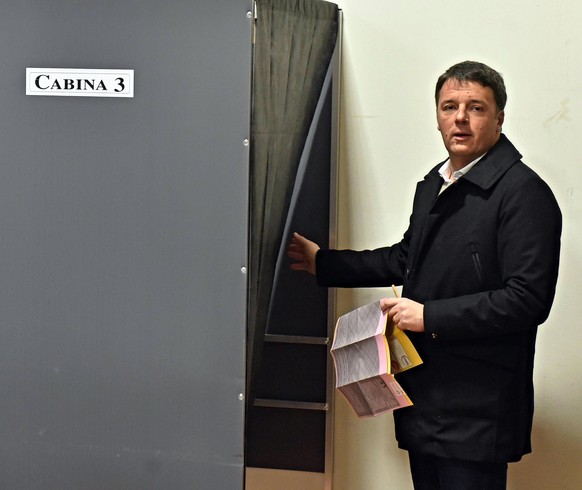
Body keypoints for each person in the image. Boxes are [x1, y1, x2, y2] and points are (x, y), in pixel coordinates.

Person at [287, 60, 562, 490]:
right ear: (437, 116)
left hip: (478, 407)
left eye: (476, 108)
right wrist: (325, 263)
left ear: (499, 118)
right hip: (423, 395)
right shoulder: (433, 185)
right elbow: (404, 258)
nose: (460, 118)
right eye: (449, 106)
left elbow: (527, 300)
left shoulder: (525, 194)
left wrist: (428, 316)